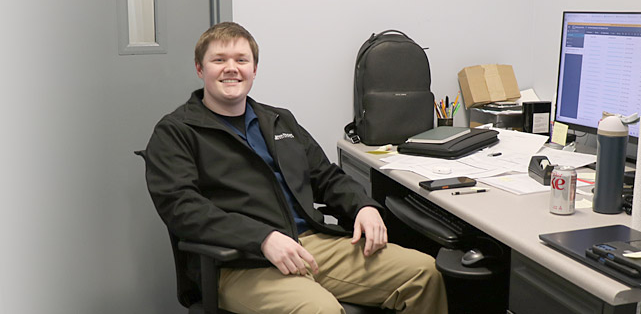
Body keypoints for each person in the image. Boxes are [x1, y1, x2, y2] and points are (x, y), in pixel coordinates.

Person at [143, 21, 447, 313]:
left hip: (311, 243)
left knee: (423, 274)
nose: (231, 68)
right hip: (241, 261)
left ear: (254, 69)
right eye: (218, 59)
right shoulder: (176, 132)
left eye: (241, 59)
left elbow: (326, 177)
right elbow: (183, 209)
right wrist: (262, 238)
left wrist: (364, 207)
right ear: (200, 68)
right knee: (319, 309)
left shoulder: (279, 120)